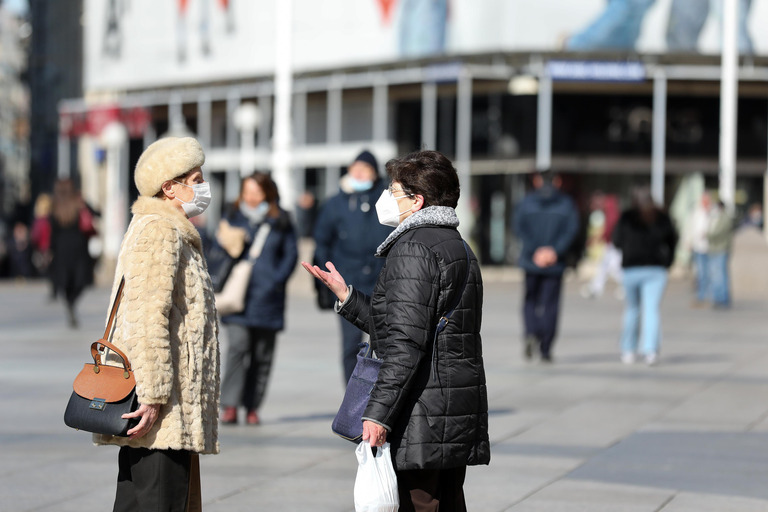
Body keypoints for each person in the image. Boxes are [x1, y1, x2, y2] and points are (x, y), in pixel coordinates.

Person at [303, 150, 490, 511]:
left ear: (416, 200)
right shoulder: (456, 245)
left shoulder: (414, 248)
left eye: (394, 191)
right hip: (451, 409)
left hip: (422, 412)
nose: (386, 199)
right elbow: (410, 325)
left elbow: (405, 344)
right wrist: (348, 297)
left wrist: (377, 413)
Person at [93, 137, 220, 511]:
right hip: (163, 408)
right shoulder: (160, 230)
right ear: (170, 187)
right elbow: (147, 316)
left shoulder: (167, 228)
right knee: (159, 500)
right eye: (195, 179)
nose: (201, 186)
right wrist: (153, 394)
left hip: (169, 406)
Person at [215, 172, 298, 426]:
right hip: (236, 297)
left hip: (268, 298)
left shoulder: (281, 220)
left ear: (268, 194)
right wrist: (230, 245)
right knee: (238, 347)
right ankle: (230, 405)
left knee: (263, 355)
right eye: (246, 192)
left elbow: (290, 255)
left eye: (256, 192)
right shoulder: (232, 216)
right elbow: (215, 251)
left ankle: (252, 406)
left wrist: (276, 279)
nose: (250, 197)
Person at [313, 150, 392, 383]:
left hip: (382, 282)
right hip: (347, 285)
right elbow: (322, 242)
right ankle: (352, 395)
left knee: (385, 343)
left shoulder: (385, 200)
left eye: (365, 169)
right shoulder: (335, 204)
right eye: (355, 169)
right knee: (351, 345)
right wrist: (329, 278)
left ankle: (381, 396)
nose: (358, 174)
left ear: (374, 173)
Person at [513, 171, 579, 363]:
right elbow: (571, 230)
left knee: (530, 300)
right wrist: (554, 251)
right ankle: (546, 347)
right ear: (557, 181)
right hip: (555, 263)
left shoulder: (526, 202)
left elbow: (519, 227)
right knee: (551, 304)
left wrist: (535, 250)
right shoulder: (567, 204)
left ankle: (531, 332)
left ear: (537, 180)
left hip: (531, 260)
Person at [613, 187, 678, 366]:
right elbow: (673, 241)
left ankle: (628, 350)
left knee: (632, 309)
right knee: (651, 310)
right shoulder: (661, 217)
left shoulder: (627, 217)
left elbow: (616, 240)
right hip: (655, 268)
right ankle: (650, 350)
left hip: (632, 268)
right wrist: (668, 260)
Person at [49, 179, 97, 327]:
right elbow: (96, 213)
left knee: (65, 280)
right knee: (81, 279)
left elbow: (52, 230)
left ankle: (69, 303)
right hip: (79, 246)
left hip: (61, 248)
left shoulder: (54, 205)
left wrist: (51, 250)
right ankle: (72, 302)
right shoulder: (79, 203)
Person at [707, 200, 734, 310]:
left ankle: (722, 299)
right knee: (716, 275)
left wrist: (707, 235)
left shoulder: (724, 218)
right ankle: (718, 298)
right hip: (715, 249)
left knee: (720, 275)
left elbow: (717, 233)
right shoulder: (716, 218)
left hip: (720, 249)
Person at [688, 192, 712, 308]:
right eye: (703, 200)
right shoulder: (696, 213)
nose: (705, 203)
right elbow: (692, 228)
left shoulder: (713, 213)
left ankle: (708, 296)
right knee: (700, 273)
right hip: (698, 247)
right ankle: (701, 296)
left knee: (709, 273)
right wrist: (689, 242)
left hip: (711, 248)